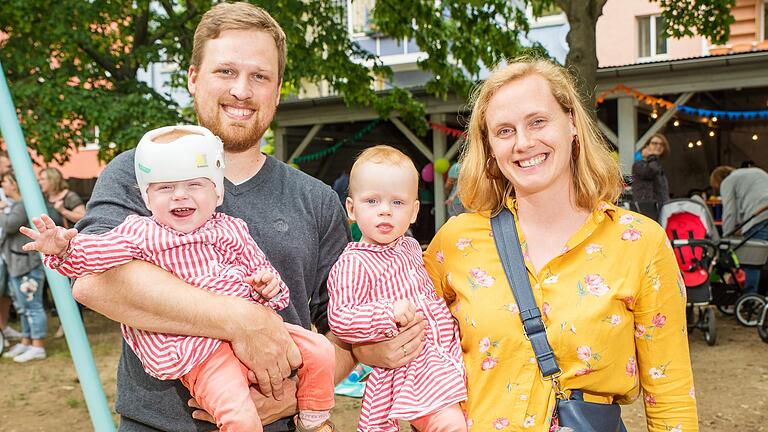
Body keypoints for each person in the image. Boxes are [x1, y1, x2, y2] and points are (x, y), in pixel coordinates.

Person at [69, 3, 392, 431]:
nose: (242, 90)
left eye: (260, 76)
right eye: (226, 72)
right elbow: (96, 284)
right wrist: (243, 320)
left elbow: (343, 332)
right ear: (193, 78)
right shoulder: (140, 173)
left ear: (277, 92)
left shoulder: (315, 199)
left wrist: (295, 398)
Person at [420, 58, 697, 430]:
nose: (523, 142)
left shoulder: (639, 243)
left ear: (571, 124)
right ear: (489, 148)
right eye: (504, 131)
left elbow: (671, 396)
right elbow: (414, 352)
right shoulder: (455, 242)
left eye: (537, 121)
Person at [23, 125, 337, 431]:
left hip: (262, 338)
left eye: (194, 185)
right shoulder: (140, 232)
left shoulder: (231, 228)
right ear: (147, 198)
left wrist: (268, 286)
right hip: (201, 350)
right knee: (239, 415)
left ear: (217, 192)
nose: (179, 196)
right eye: (165, 187)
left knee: (320, 351)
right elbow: (94, 258)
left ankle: (312, 417)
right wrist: (65, 248)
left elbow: (261, 272)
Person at [327, 145, 467, 431]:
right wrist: (387, 313)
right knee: (450, 425)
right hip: (409, 371)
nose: (385, 212)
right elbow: (341, 318)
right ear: (351, 208)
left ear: (415, 211)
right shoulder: (354, 262)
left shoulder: (411, 247)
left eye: (398, 203)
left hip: (443, 359)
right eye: (372, 201)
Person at [0, 173, 48, 362]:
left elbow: (10, 225)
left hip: (27, 264)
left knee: (32, 305)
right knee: (22, 306)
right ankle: (27, 341)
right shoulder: (14, 206)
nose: (3, 187)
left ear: (15, 185)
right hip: (15, 264)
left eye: (5, 182)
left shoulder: (21, 206)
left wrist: (3, 210)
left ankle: (38, 345)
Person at [710, 165, 768, 294]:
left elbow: (730, 211)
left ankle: (749, 297)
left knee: (753, 260)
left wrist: (726, 238)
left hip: (760, 217)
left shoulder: (728, 182)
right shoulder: (756, 171)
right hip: (763, 211)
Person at [0, 151, 23, 342]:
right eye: (6, 165)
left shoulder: (18, 200)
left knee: (7, 292)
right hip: (6, 250)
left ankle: (4, 327)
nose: (9, 168)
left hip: (8, 253)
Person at [631, 133, 670, 220]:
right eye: (654, 143)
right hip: (646, 208)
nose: (658, 146)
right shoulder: (639, 164)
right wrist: (651, 156)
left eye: (661, 144)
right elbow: (649, 172)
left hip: (660, 208)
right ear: (647, 146)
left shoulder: (656, 164)